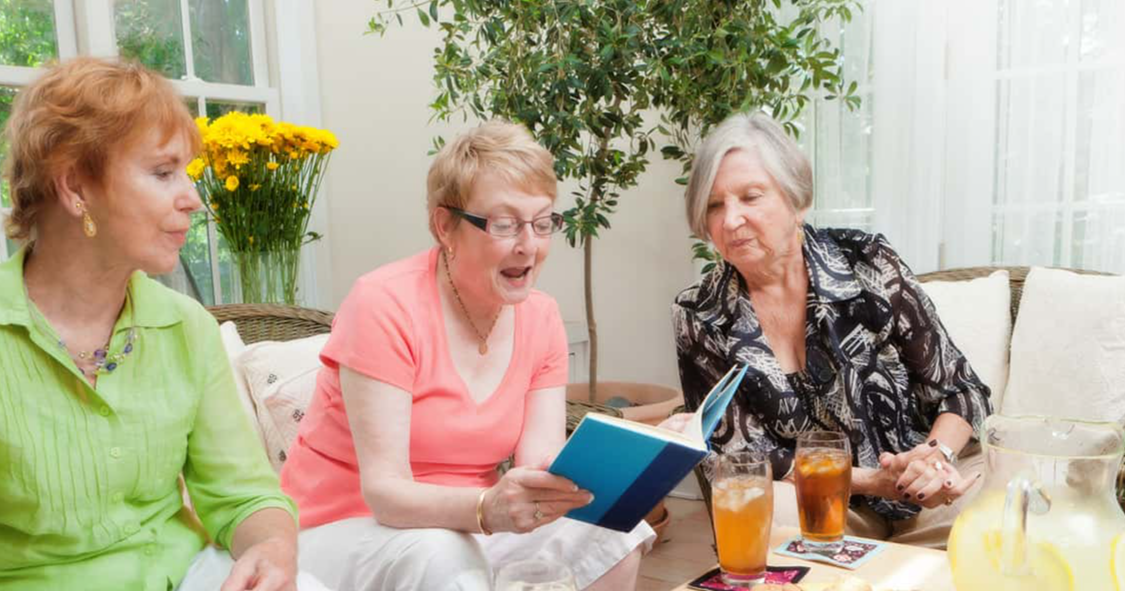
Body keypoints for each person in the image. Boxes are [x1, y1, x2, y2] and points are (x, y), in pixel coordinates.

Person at [280, 121, 654, 591]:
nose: (529, 245)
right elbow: (385, 493)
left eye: (542, 223)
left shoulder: (541, 317)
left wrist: (642, 451)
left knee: (615, 533)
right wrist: (485, 510)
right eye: (505, 224)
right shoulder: (383, 305)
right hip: (341, 529)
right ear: (445, 227)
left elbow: (540, 464)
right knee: (442, 553)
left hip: (468, 526)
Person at [0, 57, 328, 591]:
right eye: (162, 172)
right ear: (75, 185)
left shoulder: (185, 326)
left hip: (186, 575)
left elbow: (243, 495)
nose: (193, 199)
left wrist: (270, 548)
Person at [668, 112, 992, 549]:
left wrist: (934, 460)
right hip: (822, 501)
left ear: (797, 201)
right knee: (762, 508)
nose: (730, 220)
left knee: (991, 523)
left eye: (751, 196)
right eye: (714, 205)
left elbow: (962, 389)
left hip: (930, 488)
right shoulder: (700, 314)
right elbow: (739, 455)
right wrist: (874, 481)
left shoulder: (868, 262)